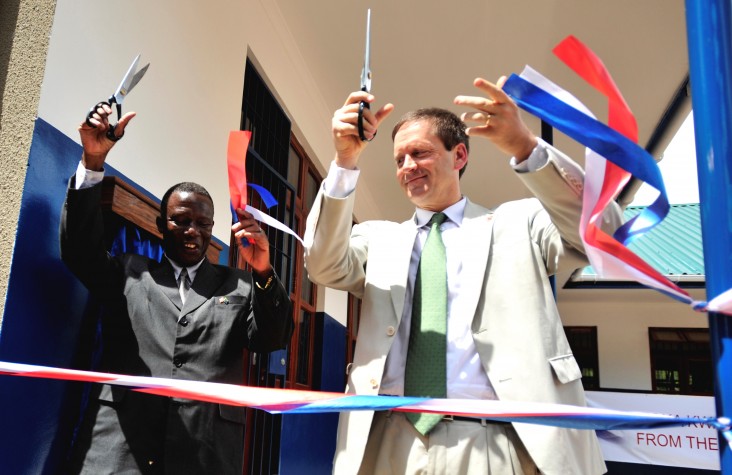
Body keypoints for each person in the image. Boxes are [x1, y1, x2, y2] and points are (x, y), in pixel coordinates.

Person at [303, 77, 622, 475]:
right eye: (399, 159)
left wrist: (526, 147)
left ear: (459, 156)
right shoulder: (378, 236)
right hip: (388, 441)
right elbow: (322, 265)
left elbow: (603, 230)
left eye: (419, 153)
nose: (407, 168)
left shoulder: (520, 222)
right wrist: (344, 161)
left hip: (498, 443)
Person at [60, 101, 293, 474]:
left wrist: (264, 269)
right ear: (160, 224)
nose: (193, 232)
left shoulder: (241, 285)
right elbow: (80, 252)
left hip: (205, 454)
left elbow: (271, 338)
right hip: (120, 449)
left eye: (203, 224)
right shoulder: (130, 272)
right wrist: (92, 162)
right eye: (182, 221)